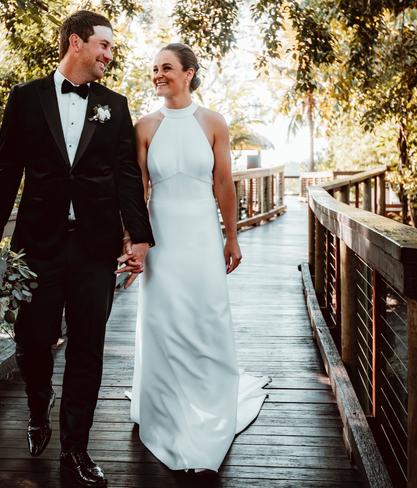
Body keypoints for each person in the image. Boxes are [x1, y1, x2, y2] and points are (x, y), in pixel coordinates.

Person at [0, 10, 154, 487]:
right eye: (104, 46)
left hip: (95, 248)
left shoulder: (115, 106)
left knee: (88, 348)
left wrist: (138, 237)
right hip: (37, 246)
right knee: (33, 340)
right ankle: (39, 404)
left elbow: (126, 178)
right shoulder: (26, 98)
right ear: (76, 42)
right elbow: (6, 169)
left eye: (112, 49)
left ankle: (75, 451)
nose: (109, 55)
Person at [128, 43, 270, 472]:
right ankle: (165, 407)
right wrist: (132, 241)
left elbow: (224, 183)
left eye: (166, 68)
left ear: (189, 73)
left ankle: (208, 404)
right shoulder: (144, 126)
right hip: (161, 240)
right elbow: (138, 191)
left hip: (203, 236)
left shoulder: (213, 122)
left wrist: (233, 237)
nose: (158, 75)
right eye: (154, 69)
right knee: (163, 319)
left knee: (206, 315)